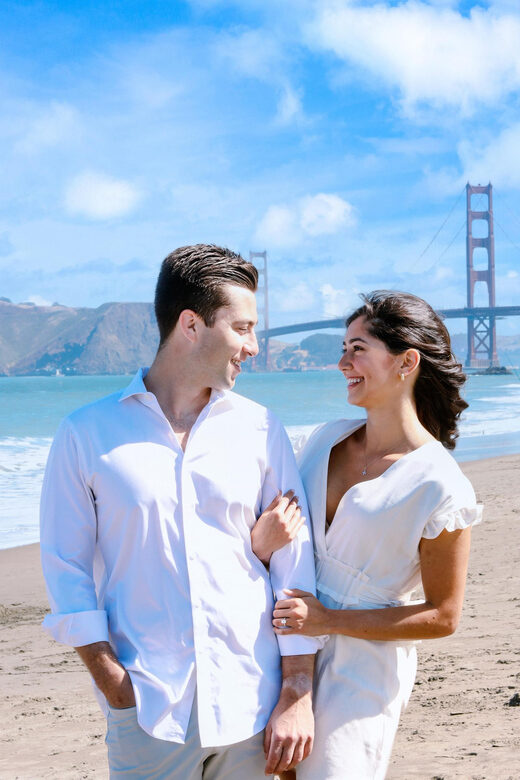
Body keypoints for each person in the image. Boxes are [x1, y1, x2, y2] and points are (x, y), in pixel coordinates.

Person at [40, 244, 323, 779]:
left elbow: (294, 570)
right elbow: (66, 571)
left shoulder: (262, 429)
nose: (255, 346)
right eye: (243, 328)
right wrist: (117, 689)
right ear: (191, 325)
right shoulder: (86, 433)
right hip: (149, 715)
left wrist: (295, 691)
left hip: (252, 705)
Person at [251, 290, 483, 780]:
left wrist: (329, 619)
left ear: (406, 361)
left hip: (362, 671)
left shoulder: (440, 484)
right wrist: (262, 544)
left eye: (358, 348)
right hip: (279, 646)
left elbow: (443, 616)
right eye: (343, 348)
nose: (342, 362)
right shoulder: (323, 439)